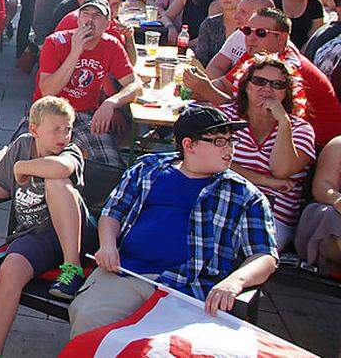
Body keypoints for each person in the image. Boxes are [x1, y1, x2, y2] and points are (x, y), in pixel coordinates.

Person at [68, 106, 278, 337]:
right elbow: (113, 212)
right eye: (219, 141)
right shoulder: (148, 169)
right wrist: (107, 245)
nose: (229, 148)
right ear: (189, 145)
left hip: (190, 289)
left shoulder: (244, 195)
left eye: (230, 140)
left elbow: (265, 255)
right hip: (128, 273)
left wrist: (234, 282)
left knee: (166, 347)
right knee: (90, 322)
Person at [0, 97, 95, 358]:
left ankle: (72, 268)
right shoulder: (22, 145)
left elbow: (63, 168)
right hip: (35, 236)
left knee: (57, 181)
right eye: (55, 129)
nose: (63, 135)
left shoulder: (70, 152)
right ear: (34, 130)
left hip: (75, 236)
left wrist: (23, 167)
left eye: (67, 129)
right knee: (9, 269)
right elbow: (4, 187)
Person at [190, 7, 341, 148]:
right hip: (282, 137)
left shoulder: (286, 69)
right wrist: (195, 90)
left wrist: (207, 90)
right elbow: (224, 84)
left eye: (260, 33)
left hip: (316, 147)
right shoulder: (259, 55)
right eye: (247, 31)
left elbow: (258, 115)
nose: (251, 38)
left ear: (281, 39)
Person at [222, 55, 316, 248]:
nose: (267, 89)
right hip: (225, 202)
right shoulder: (225, 118)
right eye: (259, 81)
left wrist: (283, 122)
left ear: (287, 92)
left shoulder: (300, 129)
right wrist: (266, 181)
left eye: (277, 85)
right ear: (246, 85)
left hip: (272, 214)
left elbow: (282, 171)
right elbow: (211, 163)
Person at [35, 0, 138, 167]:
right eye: (85, 14)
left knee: (111, 166)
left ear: (107, 24)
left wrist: (110, 103)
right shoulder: (55, 42)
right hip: (47, 111)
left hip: (84, 114)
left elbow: (135, 85)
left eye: (97, 16)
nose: (89, 20)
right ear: (78, 18)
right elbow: (48, 91)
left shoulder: (111, 45)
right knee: (24, 164)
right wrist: (75, 52)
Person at [295, 136, 341, 276]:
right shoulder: (338, 145)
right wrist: (338, 200)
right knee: (331, 215)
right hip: (331, 210)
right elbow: (322, 187)